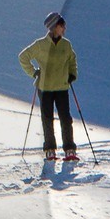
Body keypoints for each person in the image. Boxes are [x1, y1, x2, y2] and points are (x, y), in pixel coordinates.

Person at [19, 11, 79, 162]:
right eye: (62, 26)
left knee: (66, 118)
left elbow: (72, 60)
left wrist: (72, 74)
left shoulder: (66, 44)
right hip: (45, 88)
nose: (64, 29)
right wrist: (33, 73)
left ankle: (69, 149)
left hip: (62, 87)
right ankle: (50, 150)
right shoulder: (40, 45)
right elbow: (23, 57)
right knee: (47, 119)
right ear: (54, 27)